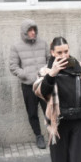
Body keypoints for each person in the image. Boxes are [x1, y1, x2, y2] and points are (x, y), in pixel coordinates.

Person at [9, 20, 48, 149]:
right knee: (32, 113)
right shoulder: (16, 46)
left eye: (34, 29)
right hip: (28, 86)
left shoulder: (43, 43)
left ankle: (53, 134)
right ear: (25, 32)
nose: (33, 32)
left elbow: (50, 60)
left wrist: (47, 74)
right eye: (30, 30)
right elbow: (13, 67)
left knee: (50, 111)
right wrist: (26, 74)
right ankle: (38, 136)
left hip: (44, 84)